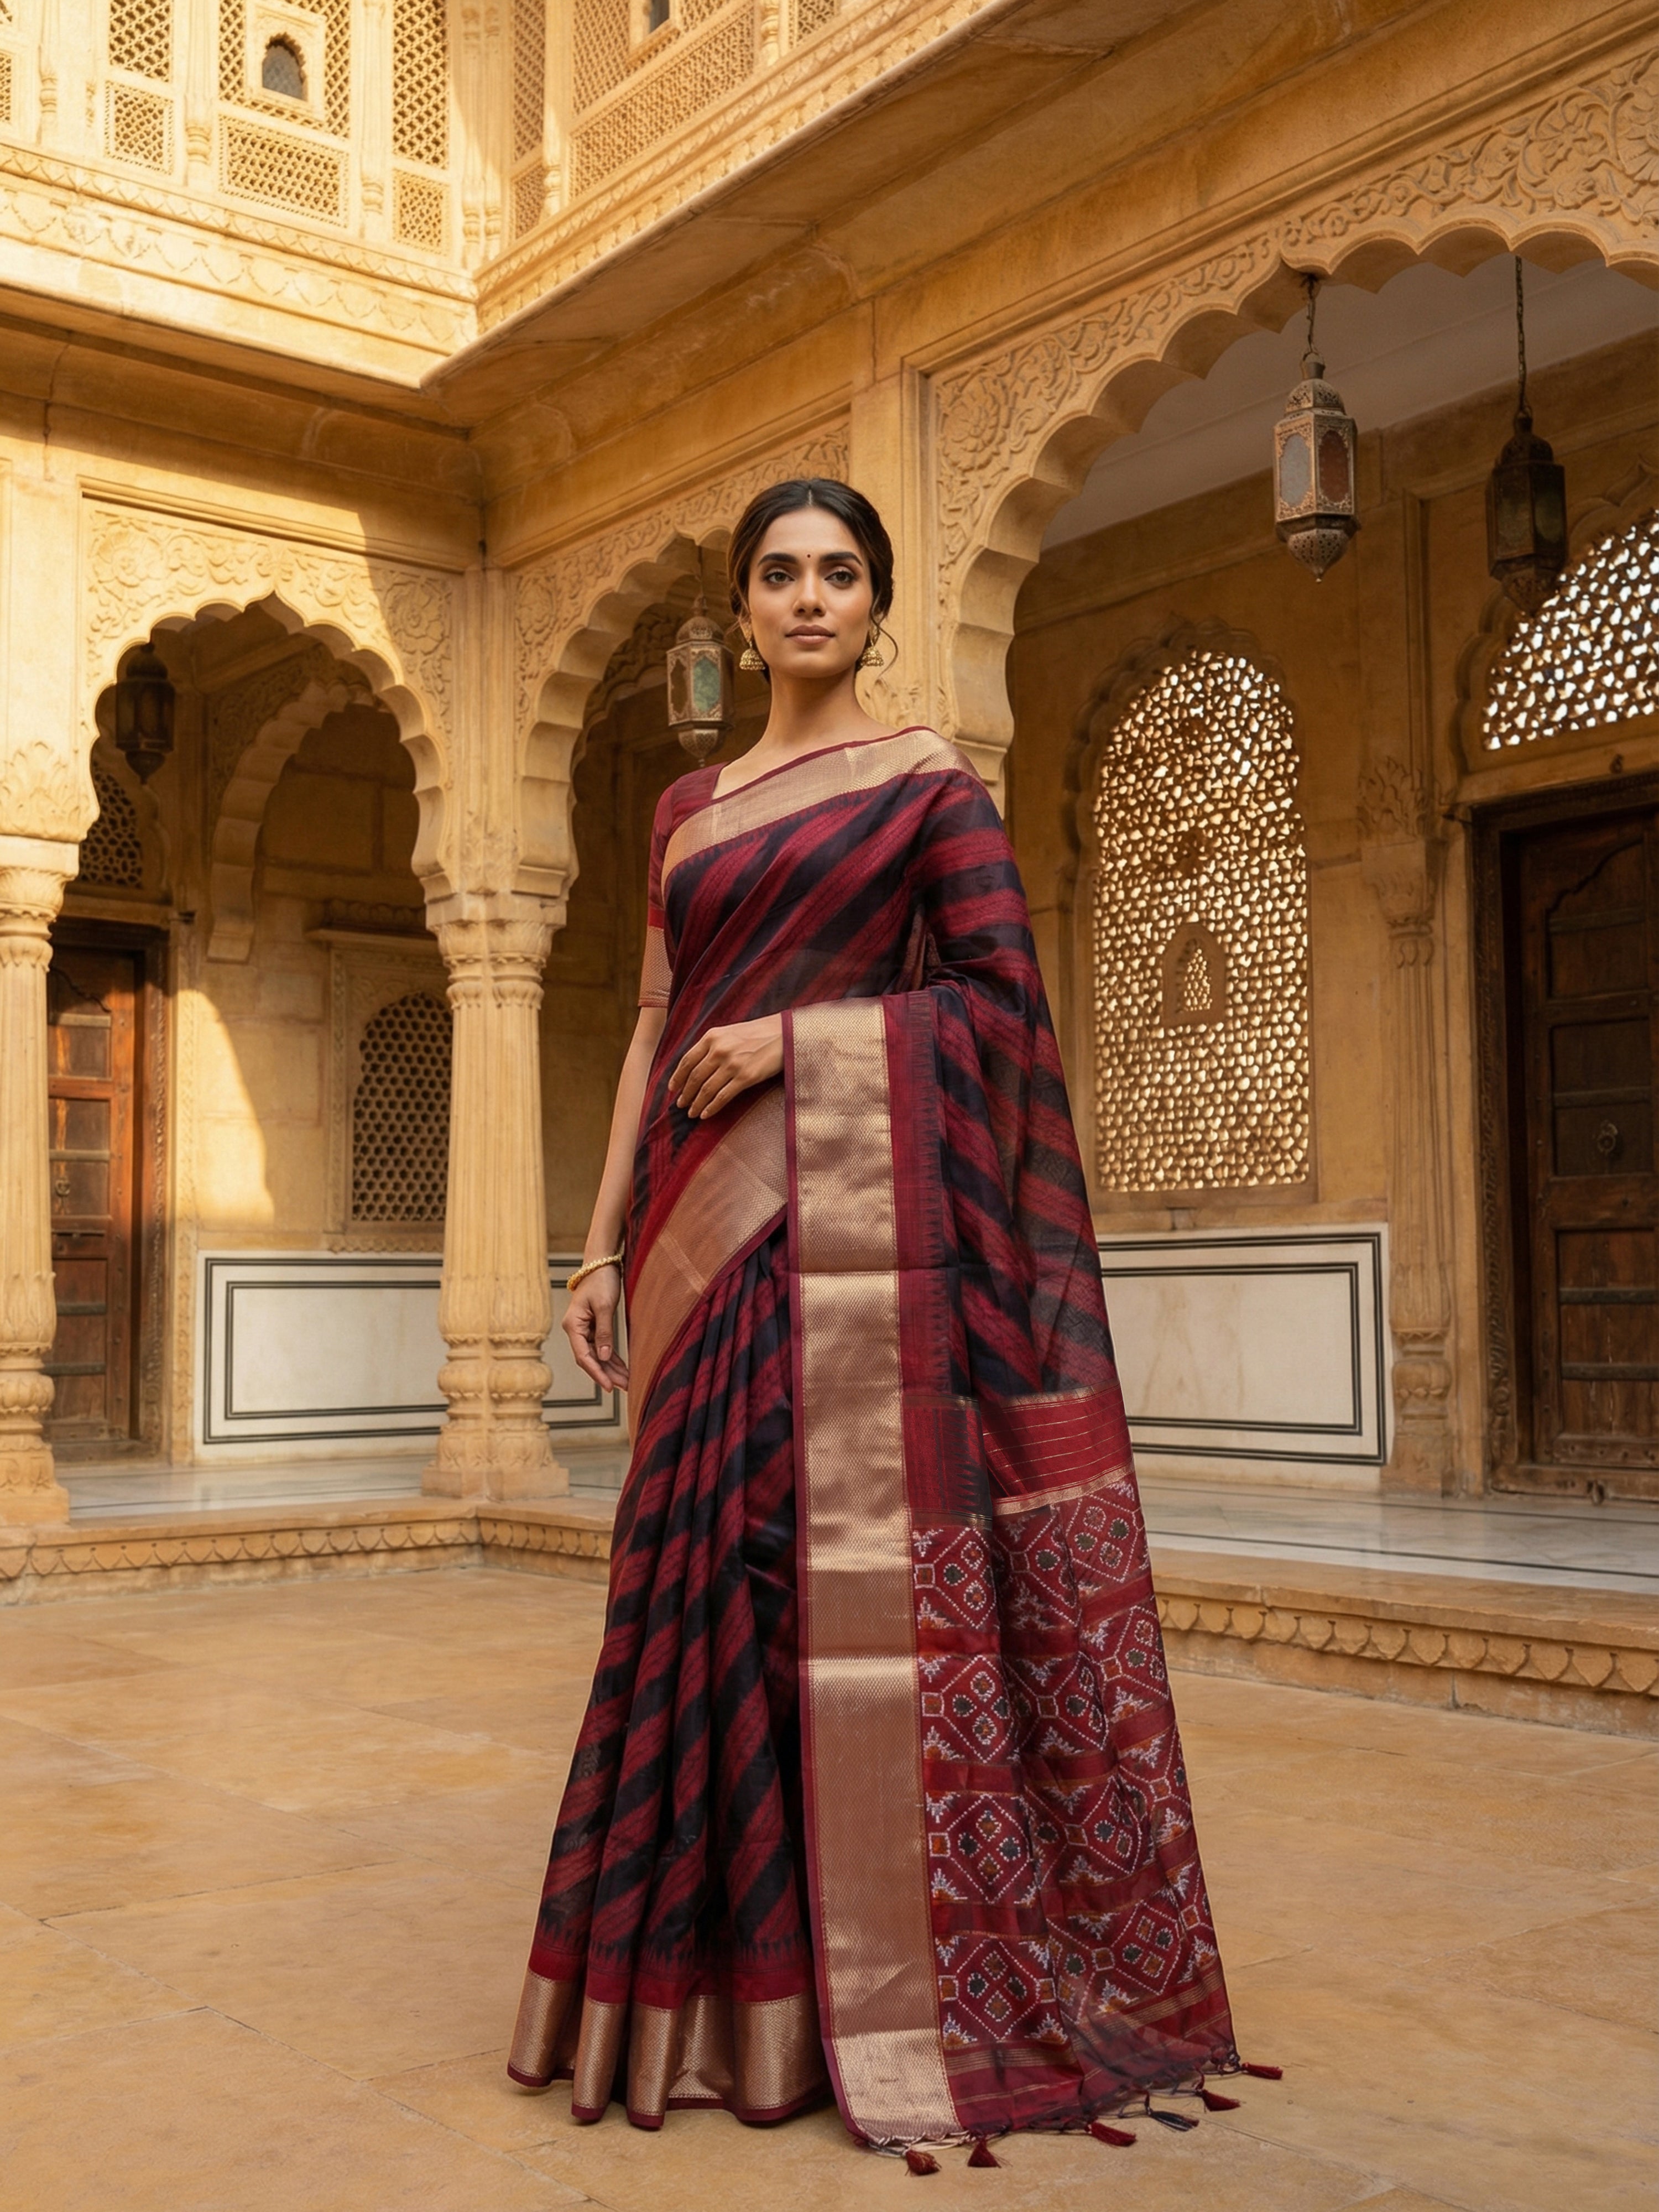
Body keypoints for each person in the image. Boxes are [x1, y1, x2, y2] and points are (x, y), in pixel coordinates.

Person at [507, 477, 1247, 2161]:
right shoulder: (687, 810)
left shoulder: (929, 790)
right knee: (682, 1589)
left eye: (839, 574)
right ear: (742, 609)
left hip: (838, 1250)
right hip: (693, 1247)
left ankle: (840, 1993)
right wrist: (597, 1246)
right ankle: (696, 1995)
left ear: (878, 605)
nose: (807, 598)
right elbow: (649, 1031)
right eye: (778, 573)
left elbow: (998, 1013)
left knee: (796, 1587)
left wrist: (798, 1043)